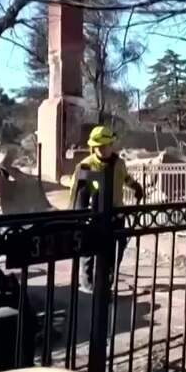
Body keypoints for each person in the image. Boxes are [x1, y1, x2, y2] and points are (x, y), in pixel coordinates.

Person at [71, 125, 144, 292]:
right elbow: (76, 191)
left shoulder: (119, 163)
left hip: (116, 215)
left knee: (115, 251)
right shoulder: (86, 166)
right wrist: (81, 215)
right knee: (89, 251)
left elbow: (125, 178)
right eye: (99, 147)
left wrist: (135, 187)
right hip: (94, 217)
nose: (103, 150)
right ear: (93, 147)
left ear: (112, 145)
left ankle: (106, 285)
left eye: (106, 146)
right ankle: (88, 284)